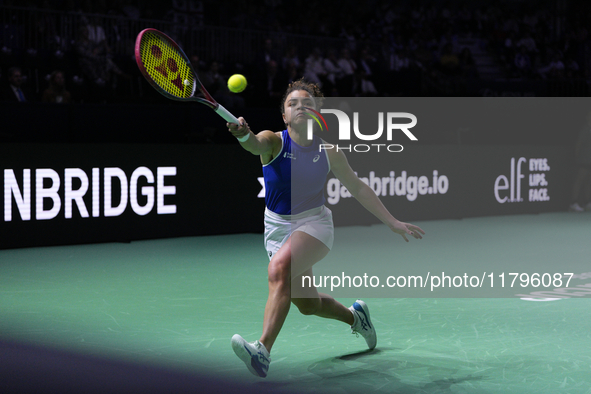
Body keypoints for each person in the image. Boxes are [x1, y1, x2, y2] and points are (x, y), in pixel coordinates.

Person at [226, 79, 425, 378]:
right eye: (292, 104)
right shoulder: (274, 142)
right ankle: (357, 318)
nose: (300, 107)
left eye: (307, 104)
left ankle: (263, 351)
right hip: (277, 229)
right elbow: (254, 143)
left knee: (278, 270)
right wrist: (243, 134)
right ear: (284, 115)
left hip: (315, 224)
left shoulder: (330, 152)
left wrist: (392, 222)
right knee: (308, 304)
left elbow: (357, 187)